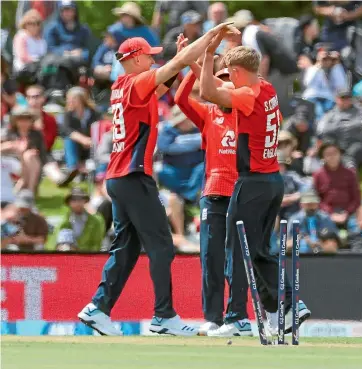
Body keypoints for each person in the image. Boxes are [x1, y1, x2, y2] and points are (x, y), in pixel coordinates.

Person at [77, 22, 238, 336]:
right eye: (149, 56)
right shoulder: (136, 83)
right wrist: (211, 37)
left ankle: (98, 308)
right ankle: (164, 316)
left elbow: (171, 82)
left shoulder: (123, 87)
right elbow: (173, 68)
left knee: (125, 247)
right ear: (135, 58)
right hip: (134, 177)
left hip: (118, 178)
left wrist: (184, 60)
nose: (153, 61)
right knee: (163, 245)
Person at [200, 41, 311, 337]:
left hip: (252, 183)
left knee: (239, 250)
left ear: (237, 71)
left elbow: (206, 93)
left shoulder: (248, 94)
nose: (227, 77)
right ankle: (282, 310)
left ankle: (243, 315)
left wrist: (209, 55)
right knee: (259, 250)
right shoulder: (266, 87)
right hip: (272, 180)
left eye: (228, 72)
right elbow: (221, 94)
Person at [175, 63, 242, 335]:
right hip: (213, 192)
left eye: (229, 82)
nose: (224, 86)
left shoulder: (246, 112)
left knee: (234, 258)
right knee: (209, 257)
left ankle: (236, 317)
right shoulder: (207, 112)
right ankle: (213, 318)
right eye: (219, 82)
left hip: (240, 192)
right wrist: (193, 64)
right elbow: (180, 98)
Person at [313, 140, 362, 229]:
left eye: (335, 153)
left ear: (340, 154)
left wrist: (347, 212)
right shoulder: (318, 175)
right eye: (328, 154)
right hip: (327, 213)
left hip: (349, 212)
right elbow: (317, 200)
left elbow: (357, 198)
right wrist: (331, 213)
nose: (332, 157)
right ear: (323, 157)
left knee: (356, 228)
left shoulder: (350, 173)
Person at [0, 105, 47, 194]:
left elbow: (43, 155)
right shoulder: (9, 133)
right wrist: (10, 145)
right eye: (21, 119)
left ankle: (28, 190)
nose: (24, 122)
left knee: (29, 155)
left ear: (31, 121)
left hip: (33, 167)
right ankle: (29, 191)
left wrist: (29, 153)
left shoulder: (36, 135)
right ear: (15, 121)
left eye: (27, 119)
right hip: (13, 166)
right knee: (26, 156)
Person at [50, 188, 105, 252]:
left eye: (80, 199)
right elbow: (56, 244)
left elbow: (97, 245)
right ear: (69, 202)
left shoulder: (96, 221)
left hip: (89, 258)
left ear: (85, 201)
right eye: (74, 200)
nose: (77, 203)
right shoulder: (63, 222)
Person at [13, 9, 47, 76]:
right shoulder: (21, 36)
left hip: (40, 67)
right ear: (25, 24)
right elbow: (23, 56)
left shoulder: (42, 39)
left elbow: (44, 55)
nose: (35, 26)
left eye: (37, 23)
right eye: (31, 23)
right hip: (24, 69)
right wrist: (37, 61)